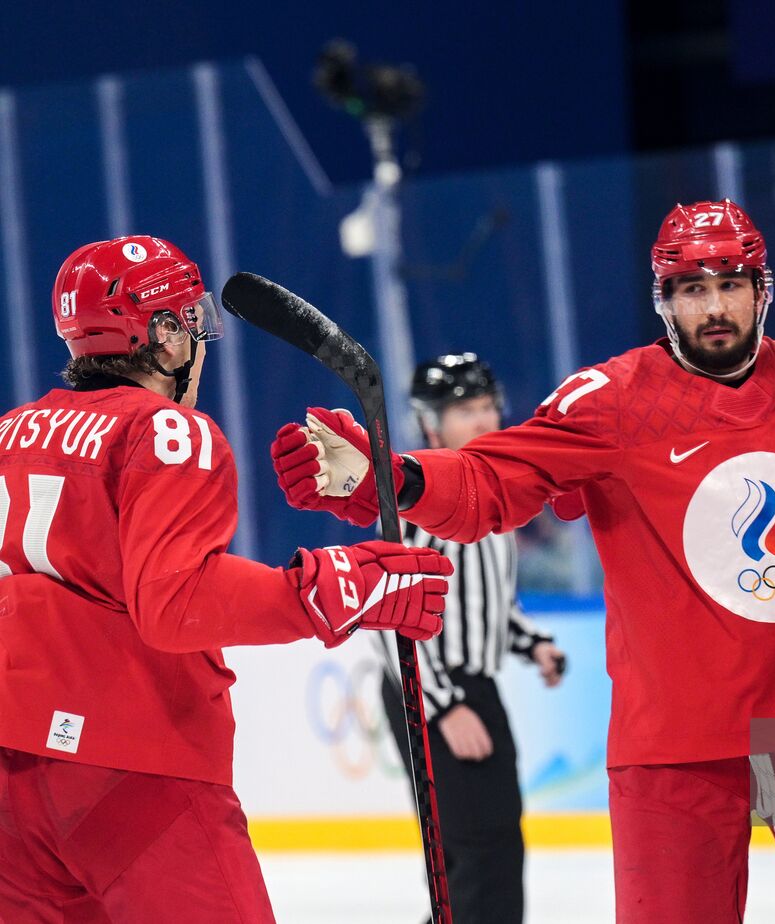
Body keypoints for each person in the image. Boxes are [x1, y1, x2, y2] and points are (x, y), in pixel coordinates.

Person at [270, 202, 775, 923]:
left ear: (764, 290)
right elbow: (490, 481)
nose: (715, 307)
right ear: (663, 302)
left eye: (731, 284)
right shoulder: (611, 402)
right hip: (673, 742)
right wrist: (386, 478)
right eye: (692, 289)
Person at [0, 236, 451, 922]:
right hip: (136, 769)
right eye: (190, 320)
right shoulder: (167, 433)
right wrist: (334, 587)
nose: (202, 337)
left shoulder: (11, 431)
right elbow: (175, 604)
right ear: (163, 339)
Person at [374, 352, 567, 924]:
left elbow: (485, 604)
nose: (483, 422)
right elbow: (387, 614)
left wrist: (532, 643)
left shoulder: (491, 492)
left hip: (466, 688)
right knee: (478, 853)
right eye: (464, 411)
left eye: (488, 407)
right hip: (435, 694)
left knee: (491, 848)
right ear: (430, 422)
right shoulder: (415, 499)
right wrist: (445, 705)